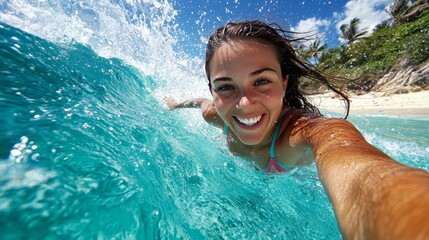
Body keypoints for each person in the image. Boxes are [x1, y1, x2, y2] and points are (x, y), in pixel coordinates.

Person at [165, 20, 429, 239]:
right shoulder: (215, 114)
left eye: (262, 81)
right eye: (225, 86)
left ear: (283, 83)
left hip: (296, 179)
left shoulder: (302, 132)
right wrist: (175, 104)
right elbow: (199, 102)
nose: (244, 103)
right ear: (213, 90)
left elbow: (351, 159)